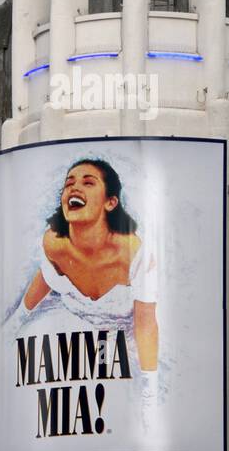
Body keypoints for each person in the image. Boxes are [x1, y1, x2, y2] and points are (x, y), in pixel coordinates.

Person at [21, 158, 160, 419]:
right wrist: (17, 320)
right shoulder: (53, 243)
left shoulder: (133, 253)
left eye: (88, 183)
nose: (74, 189)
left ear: (110, 202)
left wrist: (148, 393)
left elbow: (146, 323)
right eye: (69, 184)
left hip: (129, 350)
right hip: (72, 346)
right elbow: (45, 280)